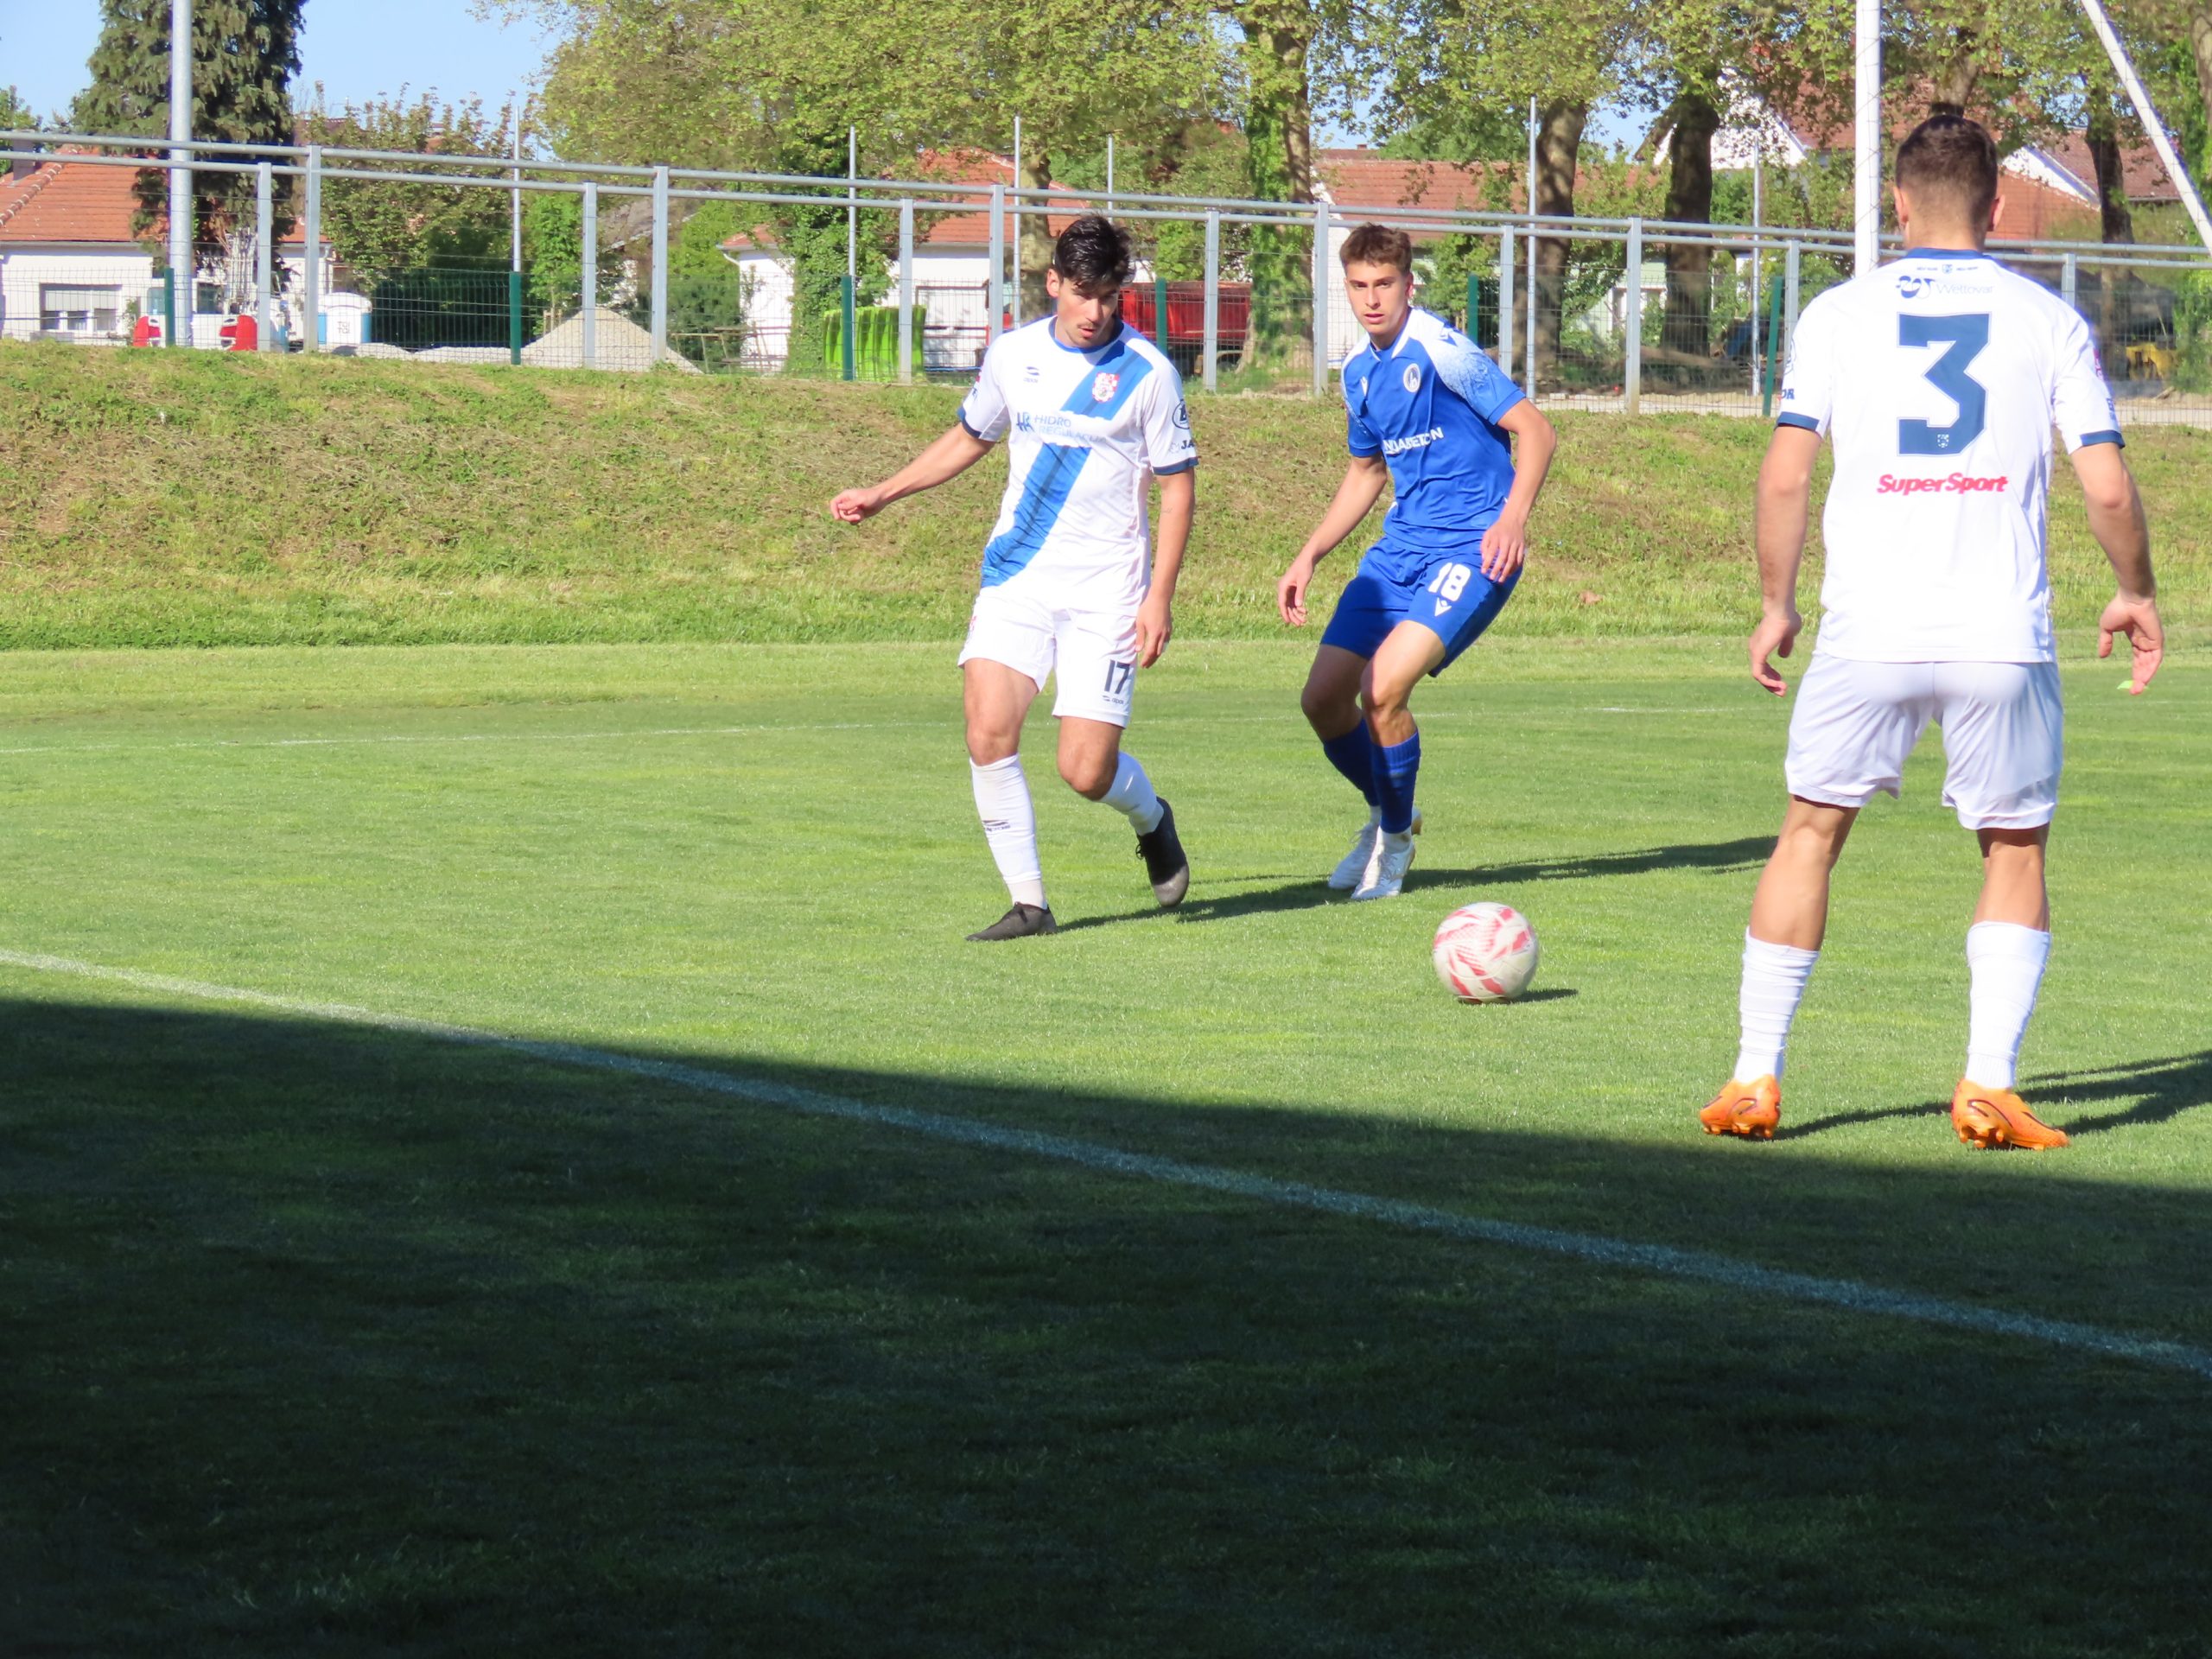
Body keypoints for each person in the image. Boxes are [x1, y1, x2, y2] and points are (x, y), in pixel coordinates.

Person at [1700, 114, 2163, 1150]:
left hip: (1866, 630)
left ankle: (1754, 1076)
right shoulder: (2048, 319)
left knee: (1808, 833)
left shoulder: (1836, 313)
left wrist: (1776, 604)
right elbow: (2105, 485)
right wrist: (2134, 590)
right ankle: (1987, 1082)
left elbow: (1784, 474)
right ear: (1995, 206)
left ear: (1898, 204)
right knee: (2013, 847)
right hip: (1998, 632)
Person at [830, 215, 1196, 940]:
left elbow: (1178, 488)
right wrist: (883, 492)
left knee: (1085, 771)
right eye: (1084, 293)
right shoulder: (1012, 354)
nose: (1095, 311)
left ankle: (1152, 818)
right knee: (987, 732)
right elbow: (971, 436)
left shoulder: (1148, 373)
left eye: (1109, 297)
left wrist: (1159, 597)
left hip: (1107, 591)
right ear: (1054, 283)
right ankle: (1030, 905)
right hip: (1018, 576)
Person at [1276, 223, 1556, 899]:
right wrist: (1310, 553)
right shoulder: (1357, 372)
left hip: (1473, 547)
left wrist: (1512, 517)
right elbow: (1366, 471)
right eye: (1359, 286)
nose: (1372, 299)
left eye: (1385, 284)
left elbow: (1536, 430)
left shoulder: (1441, 349)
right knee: (1322, 699)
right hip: (1401, 550)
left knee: (1382, 689)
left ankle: (1397, 844)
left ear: (1408, 284)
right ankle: (1386, 812)